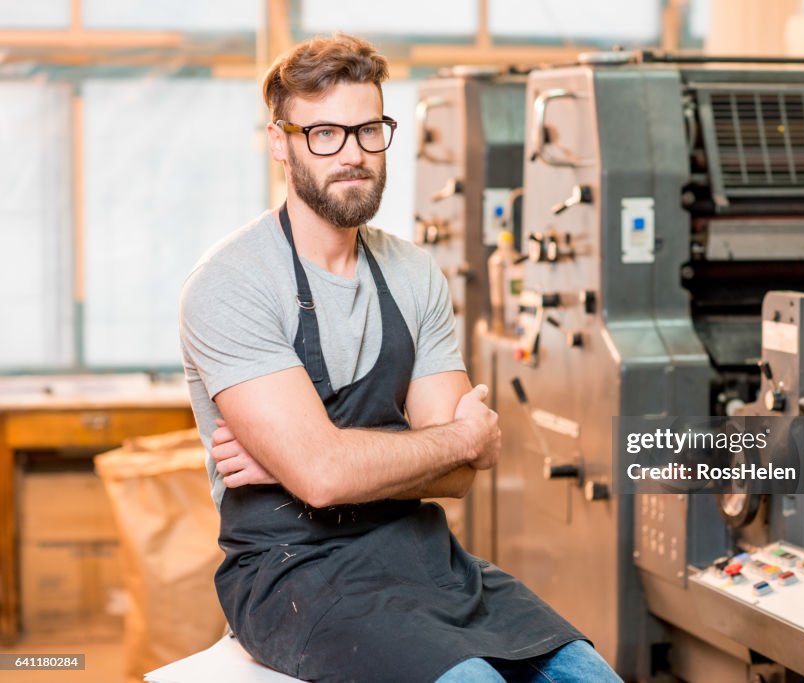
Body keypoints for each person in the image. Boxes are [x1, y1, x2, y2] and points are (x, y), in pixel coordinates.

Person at [178, 33, 620, 683]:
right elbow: (326, 476)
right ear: (281, 141)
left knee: (590, 675)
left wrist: (321, 454)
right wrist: (435, 439)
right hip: (293, 574)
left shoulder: (412, 272)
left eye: (369, 130)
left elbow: (463, 473)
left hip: (425, 559)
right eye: (325, 133)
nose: (353, 154)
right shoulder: (233, 282)